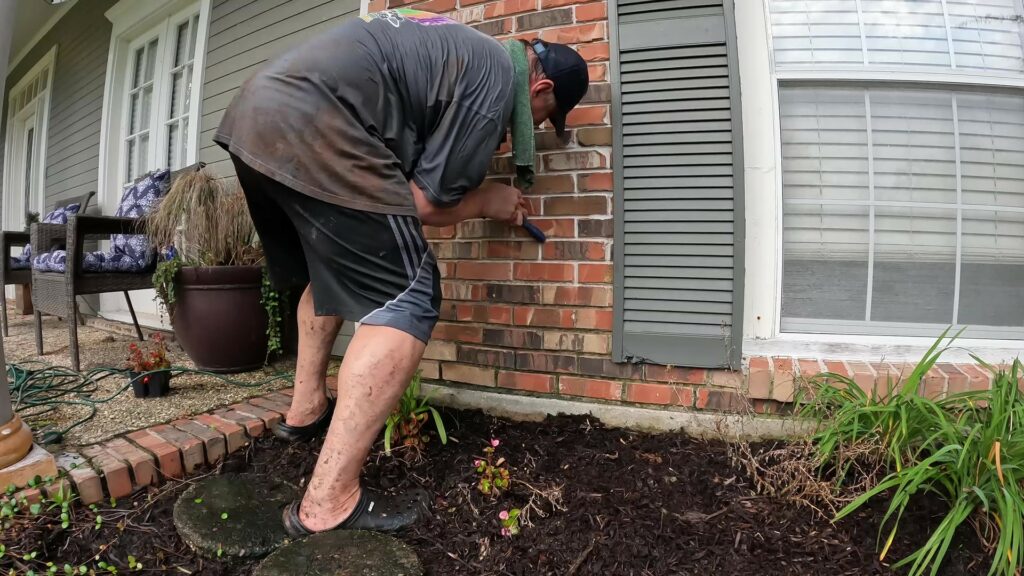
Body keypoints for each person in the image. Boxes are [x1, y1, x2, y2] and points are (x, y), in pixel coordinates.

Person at [213, 8, 589, 535]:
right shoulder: (499, 81)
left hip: (258, 113)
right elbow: (426, 204)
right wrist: (486, 199)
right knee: (408, 295)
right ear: (541, 84)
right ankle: (328, 504)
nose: (526, 124)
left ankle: (305, 413)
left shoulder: (463, 48)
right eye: (542, 113)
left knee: (330, 272)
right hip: (318, 123)